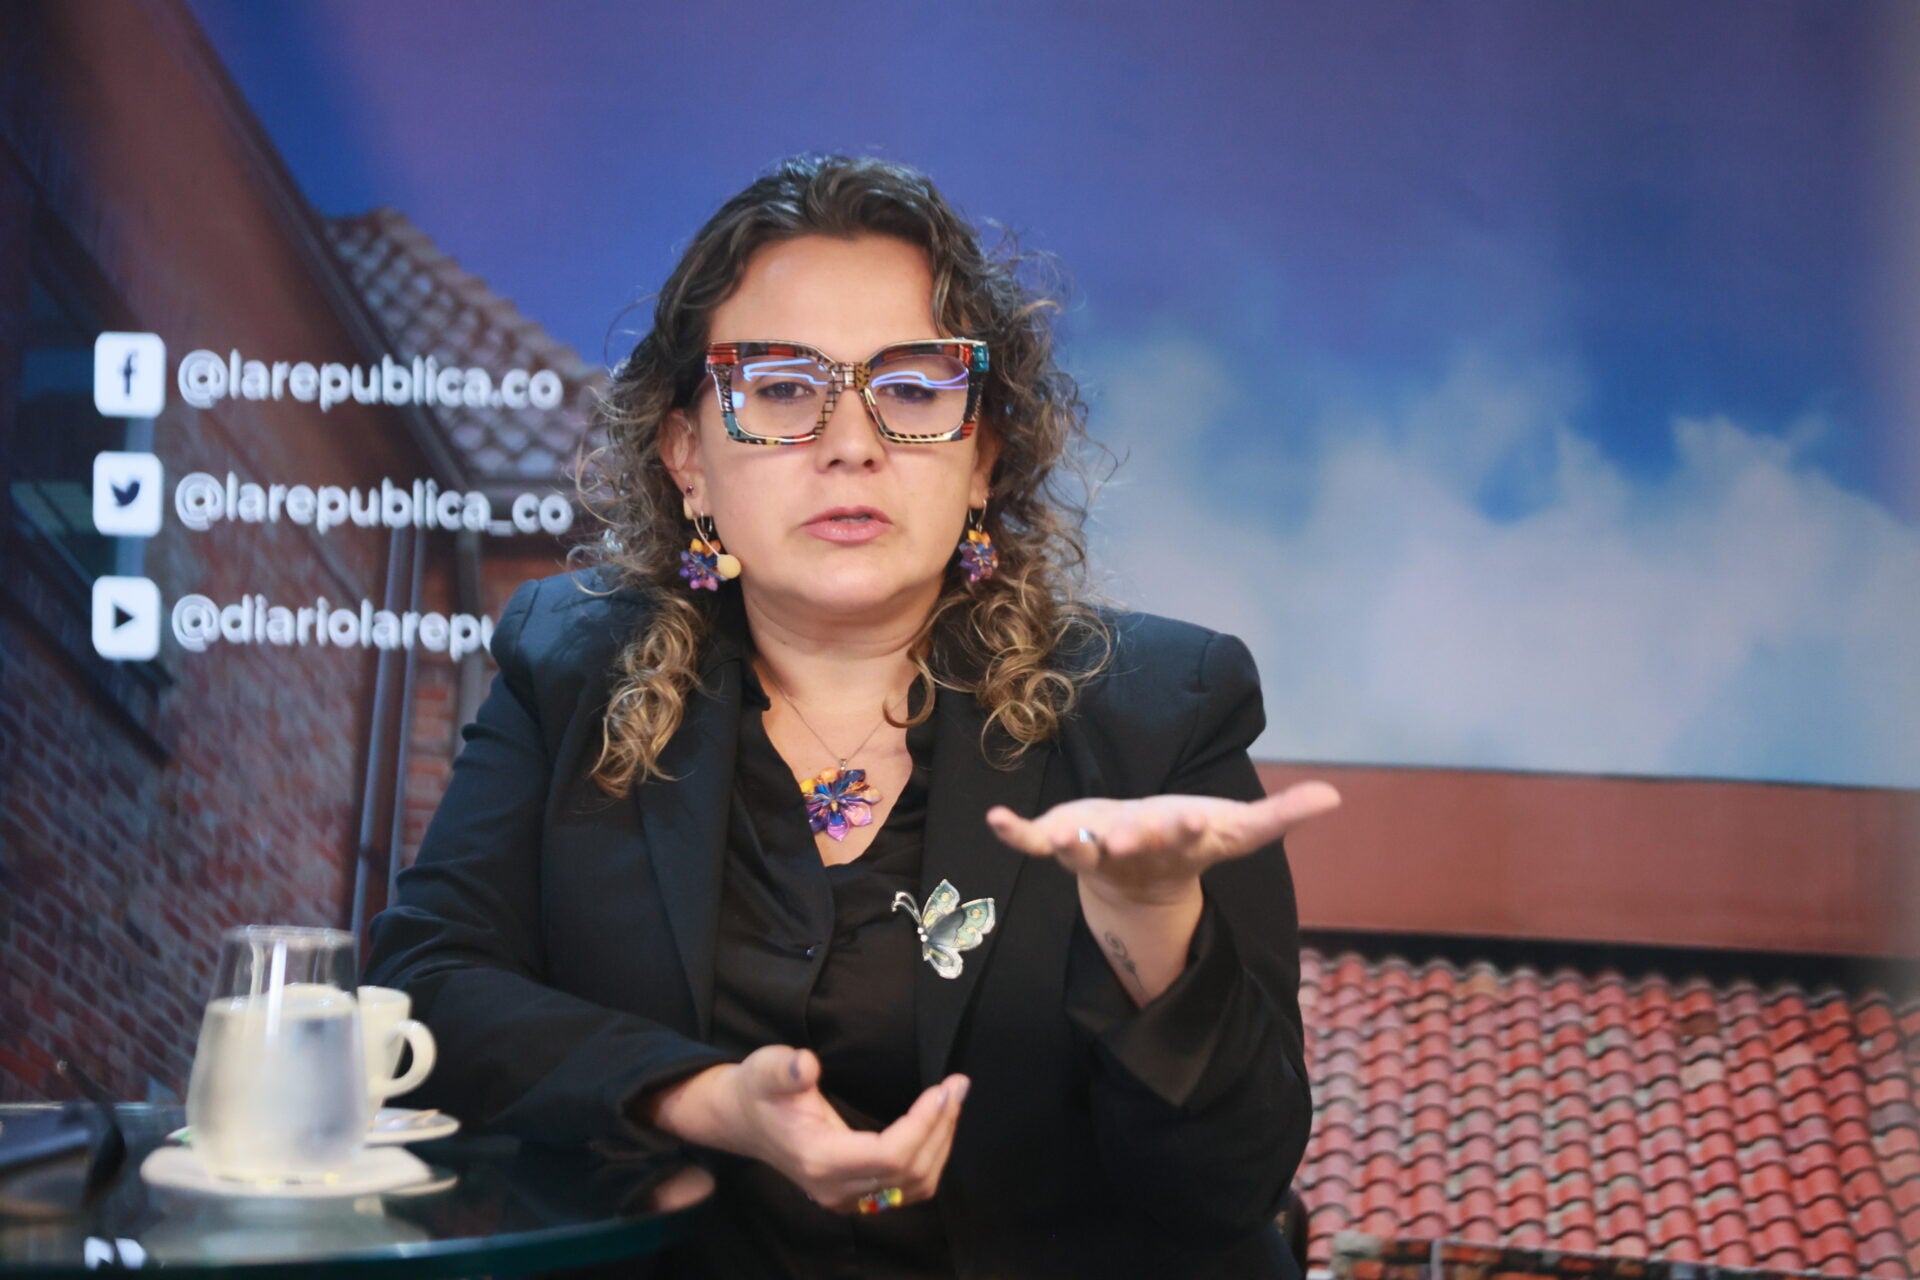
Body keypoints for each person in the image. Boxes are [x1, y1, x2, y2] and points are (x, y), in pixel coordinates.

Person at [364, 152, 1340, 1280]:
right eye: (782, 388)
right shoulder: (571, 667)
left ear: (983, 457)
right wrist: (708, 1098)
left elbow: (1229, 1188)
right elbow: (424, 995)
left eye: (914, 389)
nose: (851, 441)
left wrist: (1151, 920)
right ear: (686, 456)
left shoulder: (1158, 711)